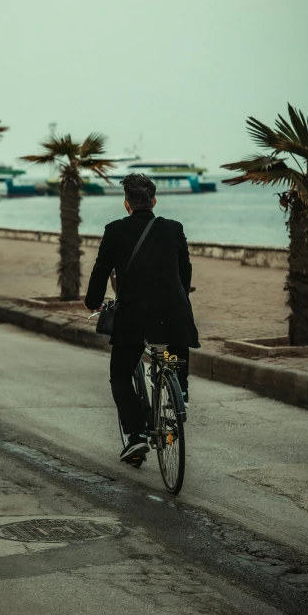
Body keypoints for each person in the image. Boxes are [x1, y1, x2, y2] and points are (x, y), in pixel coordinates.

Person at [85, 173, 200, 463]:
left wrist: (93, 302)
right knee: (174, 348)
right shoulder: (174, 229)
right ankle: (180, 388)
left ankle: (136, 436)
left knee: (121, 375)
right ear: (154, 201)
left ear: (127, 204)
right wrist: (182, 296)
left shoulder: (114, 230)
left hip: (134, 318)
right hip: (173, 315)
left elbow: (101, 272)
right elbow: (185, 270)